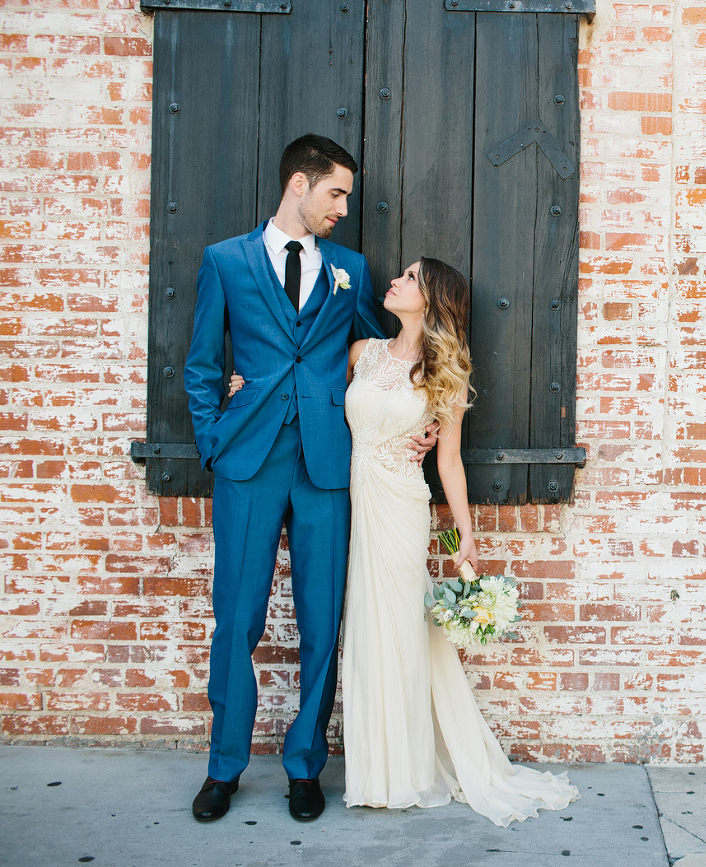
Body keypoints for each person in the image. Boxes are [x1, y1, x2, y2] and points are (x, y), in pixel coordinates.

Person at [231, 258, 578, 825]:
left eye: (412, 278)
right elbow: (301, 396)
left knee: (397, 628)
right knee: (359, 629)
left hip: (400, 506)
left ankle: (405, 770)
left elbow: (449, 461)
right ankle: (375, 767)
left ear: (432, 299)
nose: (396, 281)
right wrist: (244, 386)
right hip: (349, 501)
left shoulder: (445, 374)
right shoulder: (361, 352)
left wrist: (465, 535)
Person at [183, 134, 434, 823]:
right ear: (299, 184)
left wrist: (424, 411)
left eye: (346, 197)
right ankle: (224, 766)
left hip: (328, 465)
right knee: (237, 616)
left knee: (322, 621)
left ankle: (304, 766)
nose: (343, 209)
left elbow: (386, 348)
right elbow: (204, 363)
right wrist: (214, 439)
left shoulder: (349, 268)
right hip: (249, 462)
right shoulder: (225, 261)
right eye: (336, 193)